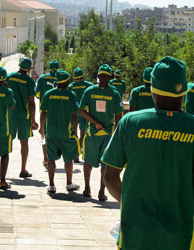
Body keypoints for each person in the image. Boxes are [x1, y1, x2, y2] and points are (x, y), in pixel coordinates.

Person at [102, 56, 194, 250]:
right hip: (182, 234)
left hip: (136, 233)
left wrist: (131, 204)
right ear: (183, 90)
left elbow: (110, 178)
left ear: (153, 89)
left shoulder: (130, 123)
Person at [78, 64, 123, 201]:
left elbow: (118, 114)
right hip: (92, 133)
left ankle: (101, 191)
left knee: (105, 164)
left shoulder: (114, 93)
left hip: (108, 134)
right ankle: (87, 188)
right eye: (101, 76)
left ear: (110, 77)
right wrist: (95, 122)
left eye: (106, 76)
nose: (103, 79)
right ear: (98, 76)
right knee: (88, 162)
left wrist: (116, 132)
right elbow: (81, 109)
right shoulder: (90, 91)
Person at [39, 69, 81, 193]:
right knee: (68, 159)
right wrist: (76, 131)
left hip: (51, 132)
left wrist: (42, 128)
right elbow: (74, 116)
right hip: (66, 133)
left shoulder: (48, 94)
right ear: (67, 81)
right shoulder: (71, 95)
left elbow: (43, 113)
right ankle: (69, 183)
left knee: (51, 159)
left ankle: (51, 185)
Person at [6, 58, 38, 178]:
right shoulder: (29, 81)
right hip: (24, 116)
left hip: (11, 114)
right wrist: (34, 120)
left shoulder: (9, 77)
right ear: (29, 69)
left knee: (8, 141)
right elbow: (31, 102)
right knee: (24, 143)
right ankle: (23, 169)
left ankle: (1, 166)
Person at [36, 60, 60, 167]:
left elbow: (37, 94)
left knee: (43, 133)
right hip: (59, 111)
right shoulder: (61, 77)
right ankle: (53, 156)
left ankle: (46, 158)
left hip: (45, 110)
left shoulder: (42, 78)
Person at [69, 67, 93, 163]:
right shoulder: (89, 85)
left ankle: (74, 153)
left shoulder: (71, 86)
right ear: (82, 76)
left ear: (74, 77)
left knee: (74, 133)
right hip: (84, 112)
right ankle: (77, 153)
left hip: (73, 113)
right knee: (82, 133)